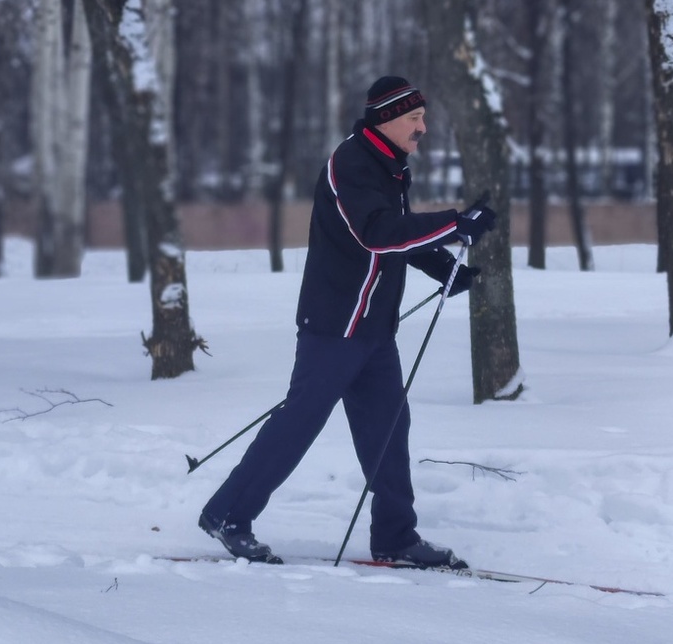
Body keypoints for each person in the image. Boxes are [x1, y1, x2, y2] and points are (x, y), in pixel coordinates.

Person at [199, 75, 497, 567]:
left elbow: (398, 236)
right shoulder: (352, 164)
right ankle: (227, 515)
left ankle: (395, 538)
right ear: (387, 119)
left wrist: (445, 269)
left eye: (423, 117)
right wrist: (454, 223)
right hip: (336, 326)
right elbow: (376, 233)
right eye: (414, 118)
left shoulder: (389, 166)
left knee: (389, 429)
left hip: (374, 331)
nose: (423, 128)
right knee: (299, 423)